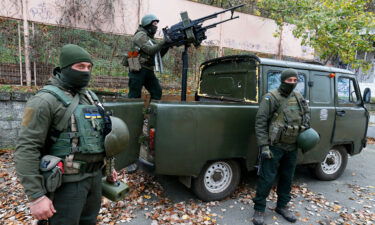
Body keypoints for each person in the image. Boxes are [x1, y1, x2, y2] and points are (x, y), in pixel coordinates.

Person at [15, 44, 111, 225]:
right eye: (80, 66)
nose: (86, 71)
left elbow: (100, 136)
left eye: (89, 67)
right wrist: (36, 196)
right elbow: (26, 148)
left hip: (94, 180)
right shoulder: (44, 100)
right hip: (64, 185)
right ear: (66, 68)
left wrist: (109, 168)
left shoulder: (91, 97)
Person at [252, 69, 310, 225]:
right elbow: (260, 122)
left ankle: (282, 206)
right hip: (274, 146)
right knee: (267, 178)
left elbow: (306, 116)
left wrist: (306, 135)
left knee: (287, 178)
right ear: (282, 80)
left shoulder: (298, 97)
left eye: (294, 80)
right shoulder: (271, 97)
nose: (292, 83)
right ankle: (259, 208)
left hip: (292, 146)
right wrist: (263, 146)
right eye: (289, 80)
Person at [127, 14, 170, 100]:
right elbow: (150, 50)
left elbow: (157, 55)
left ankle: (151, 112)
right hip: (137, 68)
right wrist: (163, 42)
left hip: (147, 68)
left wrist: (167, 45)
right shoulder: (140, 35)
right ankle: (132, 112)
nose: (156, 27)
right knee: (134, 95)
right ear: (148, 24)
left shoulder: (149, 38)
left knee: (157, 92)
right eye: (154, 24)